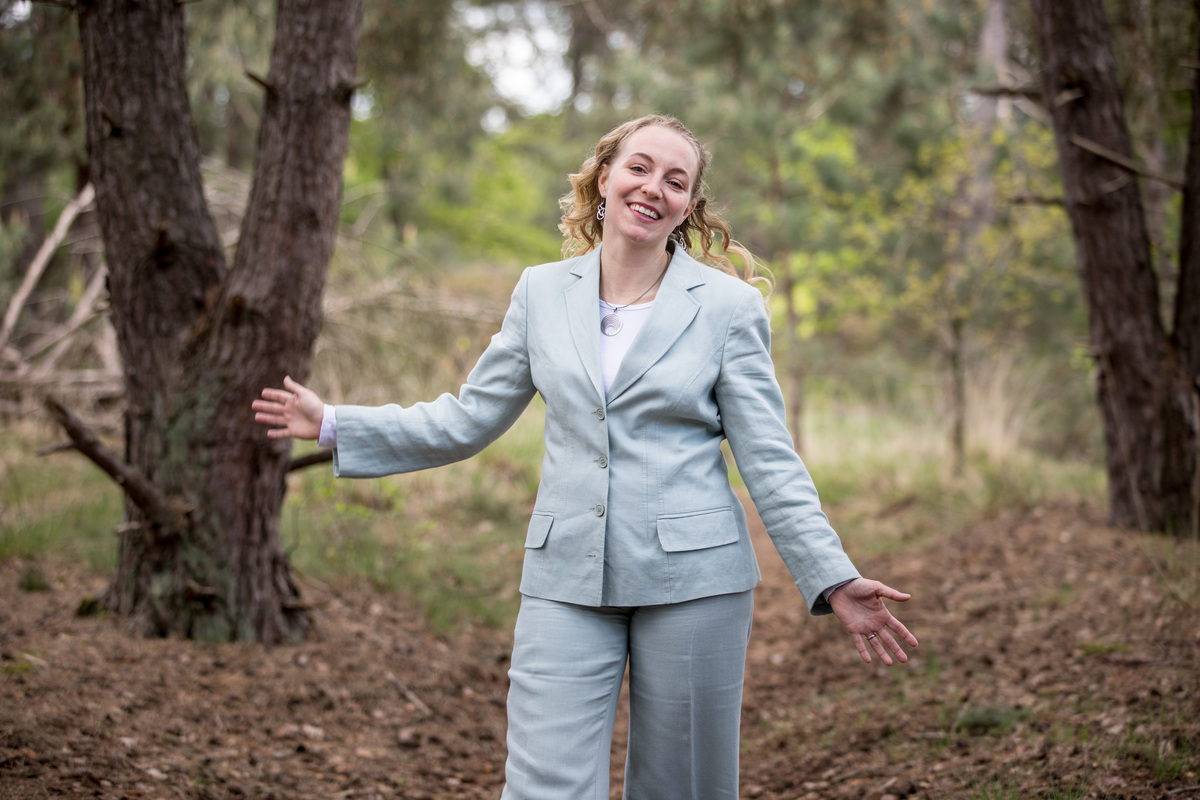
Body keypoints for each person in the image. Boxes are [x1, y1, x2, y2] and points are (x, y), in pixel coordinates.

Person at [253, 114, 917, 800]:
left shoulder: (728, 308)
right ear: (605, 177)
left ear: (689, 206)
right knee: (543, 785)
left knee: (681, 787)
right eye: (639, 168)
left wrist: (832, 577)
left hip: (695, 581)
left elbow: (770, 461)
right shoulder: (540, 293)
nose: (653, 187)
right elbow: (469, 416)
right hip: (566, 571)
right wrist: (333, 422)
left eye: (675, 180)